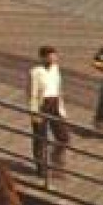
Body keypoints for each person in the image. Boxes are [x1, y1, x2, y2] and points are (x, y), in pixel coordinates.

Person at [28, 46, 71, 178]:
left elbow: (59, 89)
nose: (53, 58)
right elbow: (32, 93)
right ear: (43, 57)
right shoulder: (35, 72)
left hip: (55, 103)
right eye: (50, 56)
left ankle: (56, 161)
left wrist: (62, 109)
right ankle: (41, 168)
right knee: (40, 138)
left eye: (54, 56)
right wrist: (34, 112)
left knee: (63, 137)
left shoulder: (56, 69)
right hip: (42, 104)